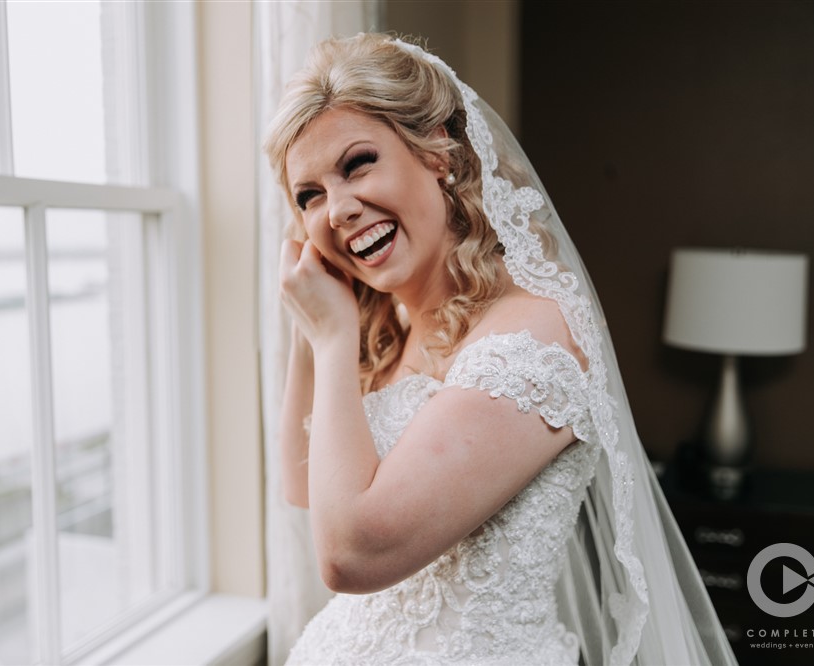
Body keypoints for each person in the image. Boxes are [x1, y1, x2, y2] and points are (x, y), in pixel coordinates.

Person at [265, 33, 737, 666]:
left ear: (436, 151)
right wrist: (316, 316)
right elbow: (303, 485)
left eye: (357, 164)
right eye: (310, 196)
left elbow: (350, 556)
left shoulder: (534, 335)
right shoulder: (386, 328)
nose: (338, 210)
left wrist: (329, 340)